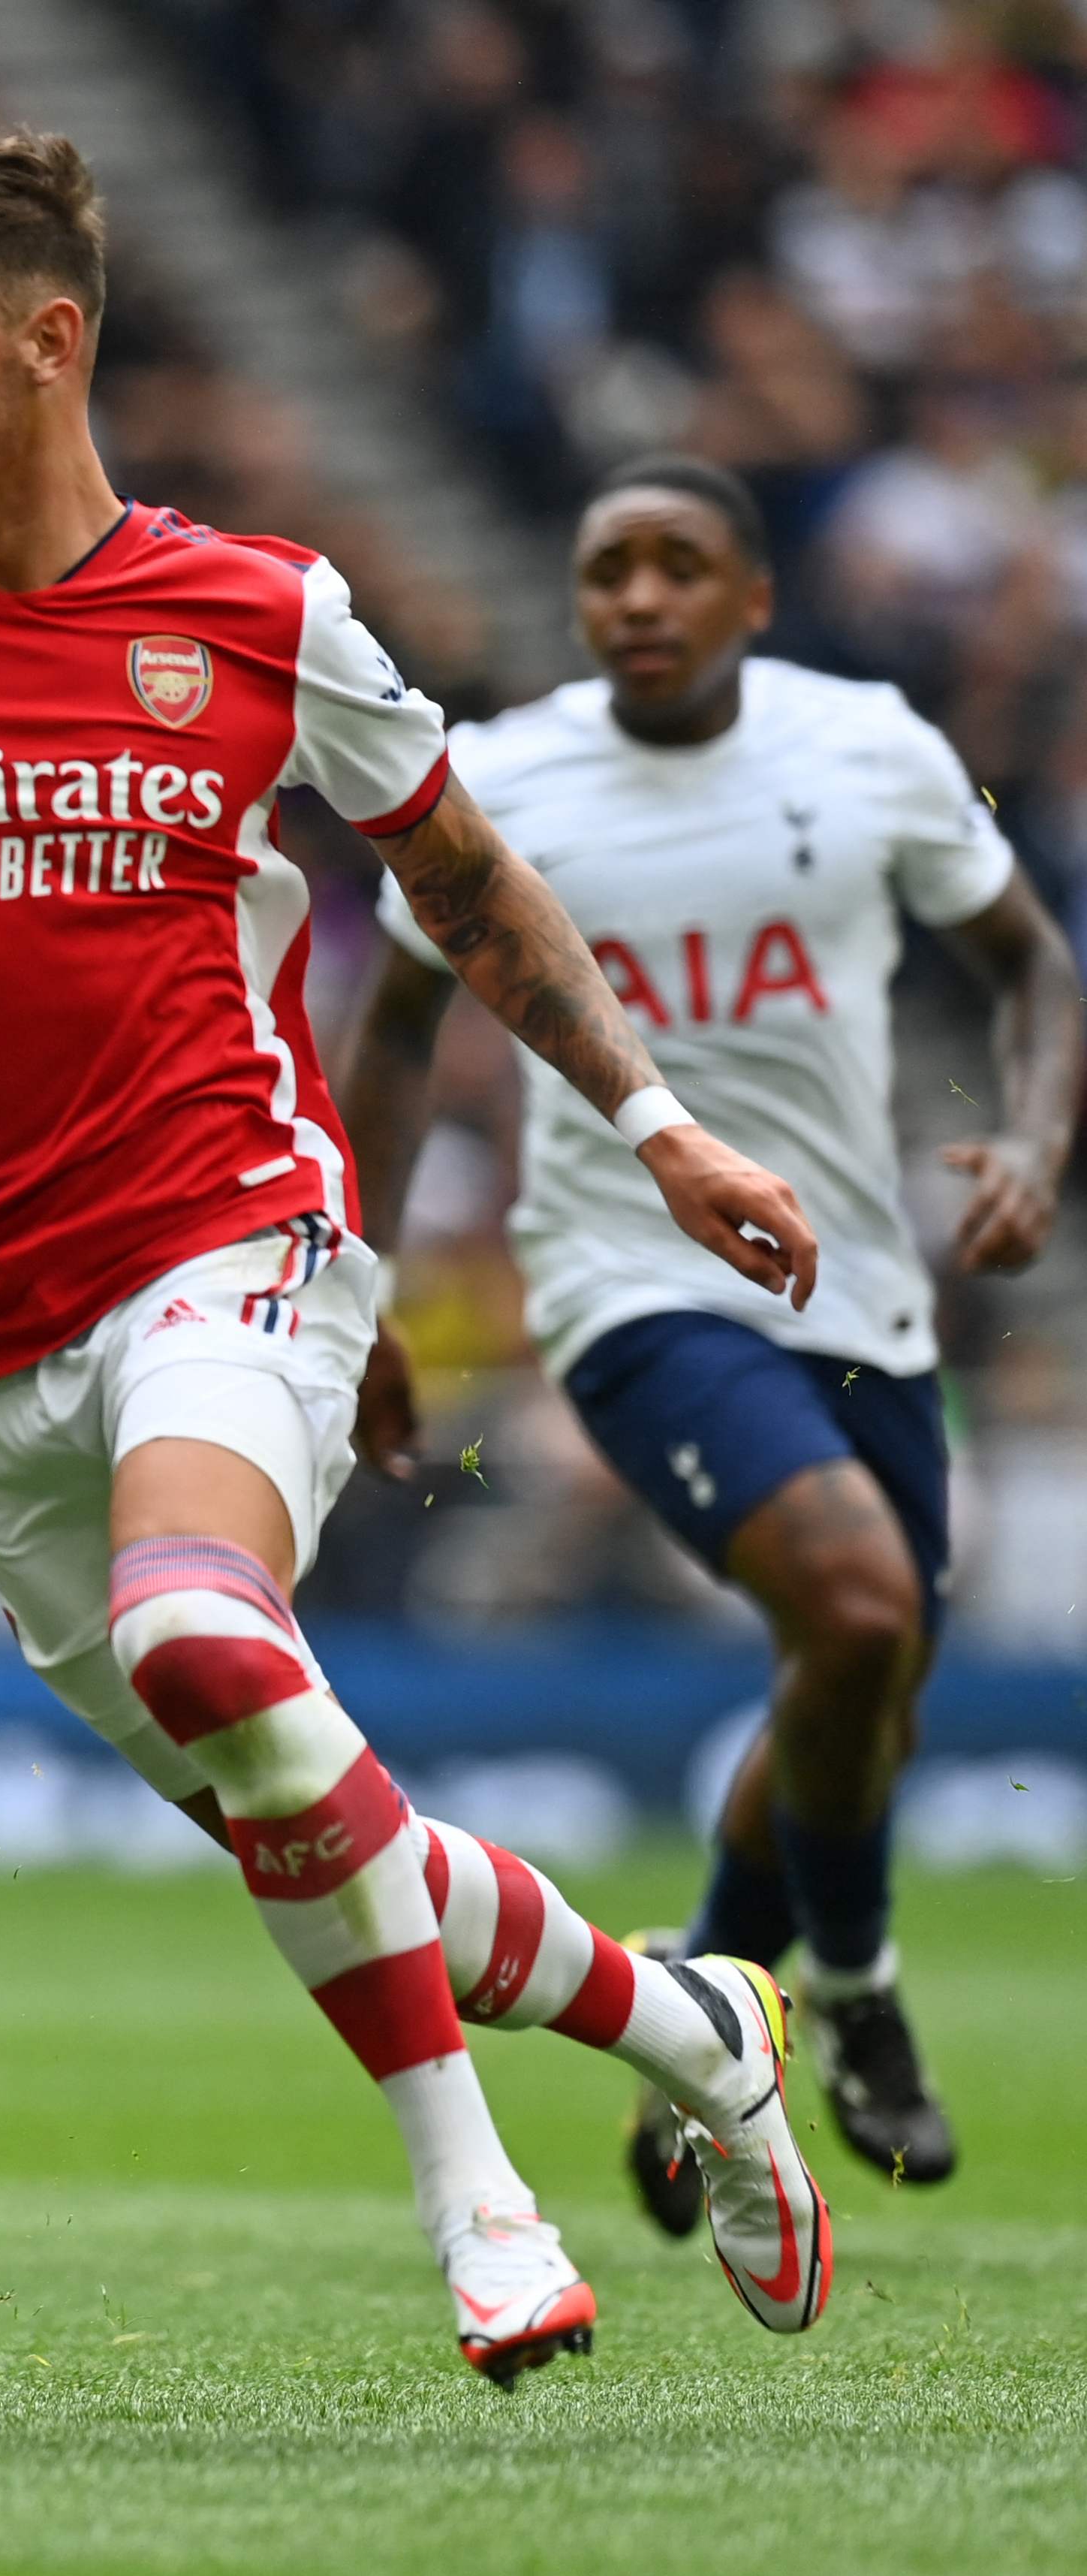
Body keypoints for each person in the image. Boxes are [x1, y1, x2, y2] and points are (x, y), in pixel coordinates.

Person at [0, 126, 836, 2384]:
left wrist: (656, 1126)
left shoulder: (262, 611)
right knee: (289, 1786)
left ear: (46, 339)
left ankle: (481, 2205)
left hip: (230, 1229)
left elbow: (466, 885)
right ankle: (695, 2025)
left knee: (204, 1633)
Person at [339, 454, 1079, 2210]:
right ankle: (856, 1990)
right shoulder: (500, 782)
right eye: (611, 572)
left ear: (753, 595)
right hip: (630, 1284)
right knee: (858, 1608)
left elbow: (1037, 969)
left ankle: (702, 2006)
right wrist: (358, 1283)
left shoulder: (872, 749)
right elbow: (386, 1037)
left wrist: (1039, 1146)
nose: (641, 600)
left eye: (681, 567)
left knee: (863, 1691)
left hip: (863, 1285)